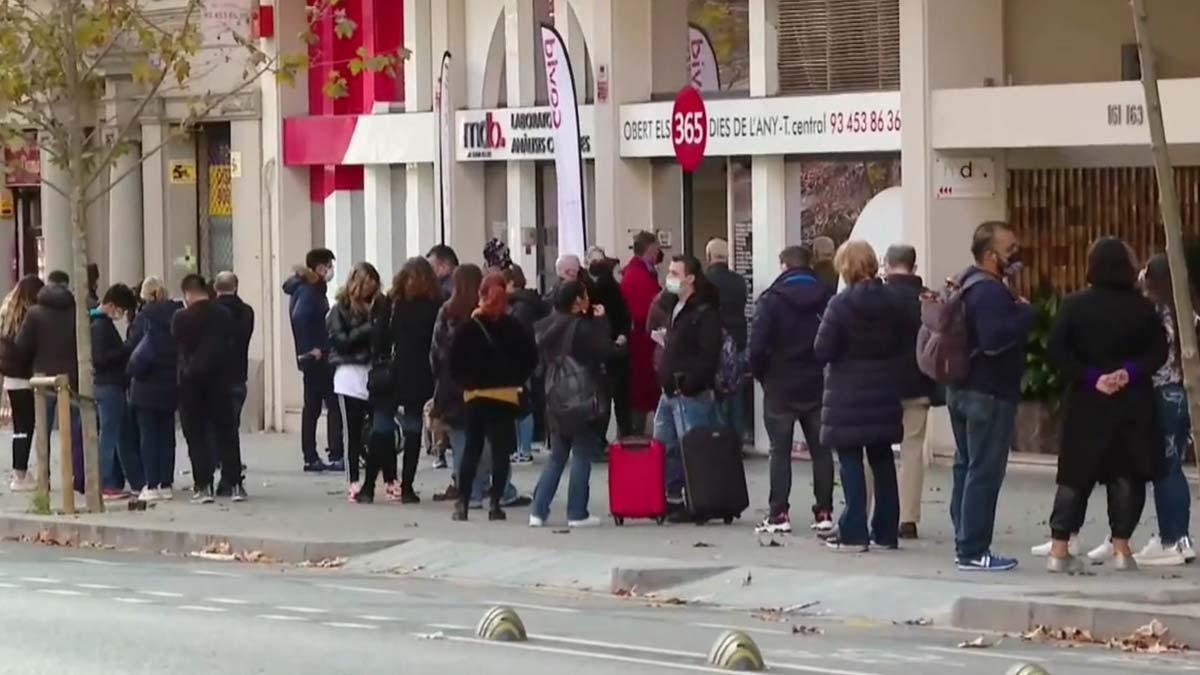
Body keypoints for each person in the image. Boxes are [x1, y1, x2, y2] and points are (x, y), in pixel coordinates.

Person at [1043, 238, 1167, 573]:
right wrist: (1127, 373)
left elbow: (1056, 351)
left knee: (1074, 475)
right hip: (1132, 403)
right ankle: (1122, 549)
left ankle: (1058, 548)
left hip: (1086, 402)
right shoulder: (1143, 309)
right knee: (1127, 474)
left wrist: (1091, 377)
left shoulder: (1074, 305)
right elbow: (1158, 353)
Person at [948, 221, 1034, 572]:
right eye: (1009, 249)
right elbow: (995, 339)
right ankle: (973, 549)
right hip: (990, 393)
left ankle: (964, 539)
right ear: (989, 255)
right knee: (984, 470)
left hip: (962, 389)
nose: (1015, 255)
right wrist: (1025, 313)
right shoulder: (990, 293)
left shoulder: (965, 284)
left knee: (965, 466)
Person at [814, 241, 904, 552]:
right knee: (882, 460)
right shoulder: (893, 302)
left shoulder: (840, 305)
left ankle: (854, 530)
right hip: (885, 390)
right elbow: (906, 340)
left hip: (846, 394)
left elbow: (822, 349)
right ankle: (887, 531)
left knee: (850, 460)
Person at [750, 245, 833, 535]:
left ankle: (779, 513)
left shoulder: (771, 301)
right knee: (821, 451)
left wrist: (764, 376)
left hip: (780, 384)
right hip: (817, 383)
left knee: (779, 451)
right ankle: (824, 511)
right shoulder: (827, 297)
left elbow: (756, 347)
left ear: (784, 266)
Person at [431, 265, 527, 507]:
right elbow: (519, 353)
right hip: (495, 389)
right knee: (496, 444)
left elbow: (438, 353)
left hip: (458, 387)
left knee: (465, 443)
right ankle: (500, 492)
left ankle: (470, 494)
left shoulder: (448, 311)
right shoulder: (496, 314)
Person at [448, 272, 539, 522]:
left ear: (482, 295)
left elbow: (454, 363)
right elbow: (531, 358)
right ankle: (496, 504)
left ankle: (463, 503)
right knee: (501, 452)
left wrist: (469, 383)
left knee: (472, 450)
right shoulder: (514, 327)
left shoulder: (468, 327)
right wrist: (514, 379)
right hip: (505, 397)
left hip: (476, 397)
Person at [531, 281, 621, 528]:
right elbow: (603, 350)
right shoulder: (581, 327)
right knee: (581, 455)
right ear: (577, 302)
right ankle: (576, 512)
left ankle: (538, 510)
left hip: (555, 397)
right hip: (581, 398)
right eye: (585, 296)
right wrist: (603, 323)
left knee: (557, 456)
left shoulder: (545, 325)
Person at [362, 257, 442, 505]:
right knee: (413, 429)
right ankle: (407, 487)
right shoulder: (434, 306)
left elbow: (378, 340)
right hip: (419, 374)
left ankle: (368, 486)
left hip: (391, 373)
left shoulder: (389, 303)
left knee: (381, 428)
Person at [1133, 254, 1197, 566]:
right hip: (1185, 392)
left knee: (1164, 468)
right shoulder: (1189, 312)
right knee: (1174, 465)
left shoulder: (1152, 312)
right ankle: (1179, 537)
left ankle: (1173, 538)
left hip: (1160, 392)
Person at [653, 255, 723, 523]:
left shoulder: (704, 312)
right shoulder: (674, 306)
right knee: (666, 445)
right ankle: (674, 497)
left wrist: (691, 383)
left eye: (675, 273)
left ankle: (700, 500)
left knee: (692, 448)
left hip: (689, 391)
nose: (669, 277)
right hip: (670, 389)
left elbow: (708, 353)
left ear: (691, 278)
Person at [882, 244, 937, 540]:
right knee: (913, 449)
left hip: (881, 385)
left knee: (872, 448)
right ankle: (908, 518)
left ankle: (867, 512)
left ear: (886, 264)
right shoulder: (927, 299)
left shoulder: (878, 296)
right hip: (918, 382)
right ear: (914, 267)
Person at [173, 274, 243, 504]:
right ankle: (234, 483)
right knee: (227, 433)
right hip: (220, 381)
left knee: (197, 436)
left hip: (190, 384)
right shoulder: (223, 315)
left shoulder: (181, 318)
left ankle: (203, 485)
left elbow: (178, 345)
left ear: (187, 294)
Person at [16, 270, 84, 495]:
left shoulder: (34, 313)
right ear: (67, 286)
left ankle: (43, 478)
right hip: (73, 377)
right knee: (75, 429)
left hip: (43, 378)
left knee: (42, 428)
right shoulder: (77, 311)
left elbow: (22, 347)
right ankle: (78, 476)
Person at [327, 262, 386, 503]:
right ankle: (353, 480)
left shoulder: (379, 306)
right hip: (349, 372)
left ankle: (379, 477)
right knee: (351, 432)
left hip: (373, 373)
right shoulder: (339, 310)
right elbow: (340, 340)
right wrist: (367, 328)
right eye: (368, 286)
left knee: (376, 431)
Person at [283, 248, 344, 473]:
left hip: (311, 358)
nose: (330, 271)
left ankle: (311, 456)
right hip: (318, 358)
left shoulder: (305, 287)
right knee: (331, 404)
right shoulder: (310, 290)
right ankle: (335, 453)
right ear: (319, 268)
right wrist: (311, 349)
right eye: (329, 266)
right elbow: (300, 317)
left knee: (313, 407)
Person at [127, 277, 181, 502]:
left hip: (146, 384)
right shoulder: (177, 316)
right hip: (171, 382)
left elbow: (132, 348)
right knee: (167, 434)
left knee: (148, 434)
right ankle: (166, 483)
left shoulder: (143, 318)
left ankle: (151, 483)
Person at [92, 283, 141, 500]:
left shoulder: (99, 323)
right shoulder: (100, 326)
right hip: (109, 385)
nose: (121, 315)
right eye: (120, 310)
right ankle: (105, 483)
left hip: (111, 385)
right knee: (109, 435)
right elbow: (101, 358)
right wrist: (126, 349)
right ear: (111, 305)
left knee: (119, 434)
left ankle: (128, 481)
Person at [0, 275, 44, 491]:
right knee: (28, 425)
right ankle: (21, 474)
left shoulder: (7, 310)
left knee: (20, 427)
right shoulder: (31, 314)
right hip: (27, 377)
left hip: (10, 378)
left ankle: (18, 472)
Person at [704, 238, 749, 444]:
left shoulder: (703, 282)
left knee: (713, 395)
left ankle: (719, 440)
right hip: (737, 342)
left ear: (709, 256)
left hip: (712, 343)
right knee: (735, 394)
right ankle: (737, 438)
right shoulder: (739, 282)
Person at [586, 247, 633, 438]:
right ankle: (607, 438)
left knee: (614, 397)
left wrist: (623, 335)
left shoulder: (609, 289)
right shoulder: (589, 288)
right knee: (606, 398)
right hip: (603, 351)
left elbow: (623, 317)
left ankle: (619, 436)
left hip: (612, 349)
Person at [621, 231, 664, 434]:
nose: (658, 254)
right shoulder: (639, 275)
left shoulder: (639, 272)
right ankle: (638, 431)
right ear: (648, 250)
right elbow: (654, 302)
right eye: (655, 249)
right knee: (643, 386)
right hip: (644, 341)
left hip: (643, 339)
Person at [505, 264, 548, 464]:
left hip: (520, 361)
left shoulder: (519, 307)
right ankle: (523, 446)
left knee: (522, 404)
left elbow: (519, 336)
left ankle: (524, 448)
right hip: (527, 359)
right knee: (522, 402)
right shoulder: (527, 303)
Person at [214, 272, 255, 430]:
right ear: (236, 287)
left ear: (215, 287)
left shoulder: (210, 310)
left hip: (213, 378)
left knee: (213, 430)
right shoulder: (246, 312)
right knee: (232, 428)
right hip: (237, 375)